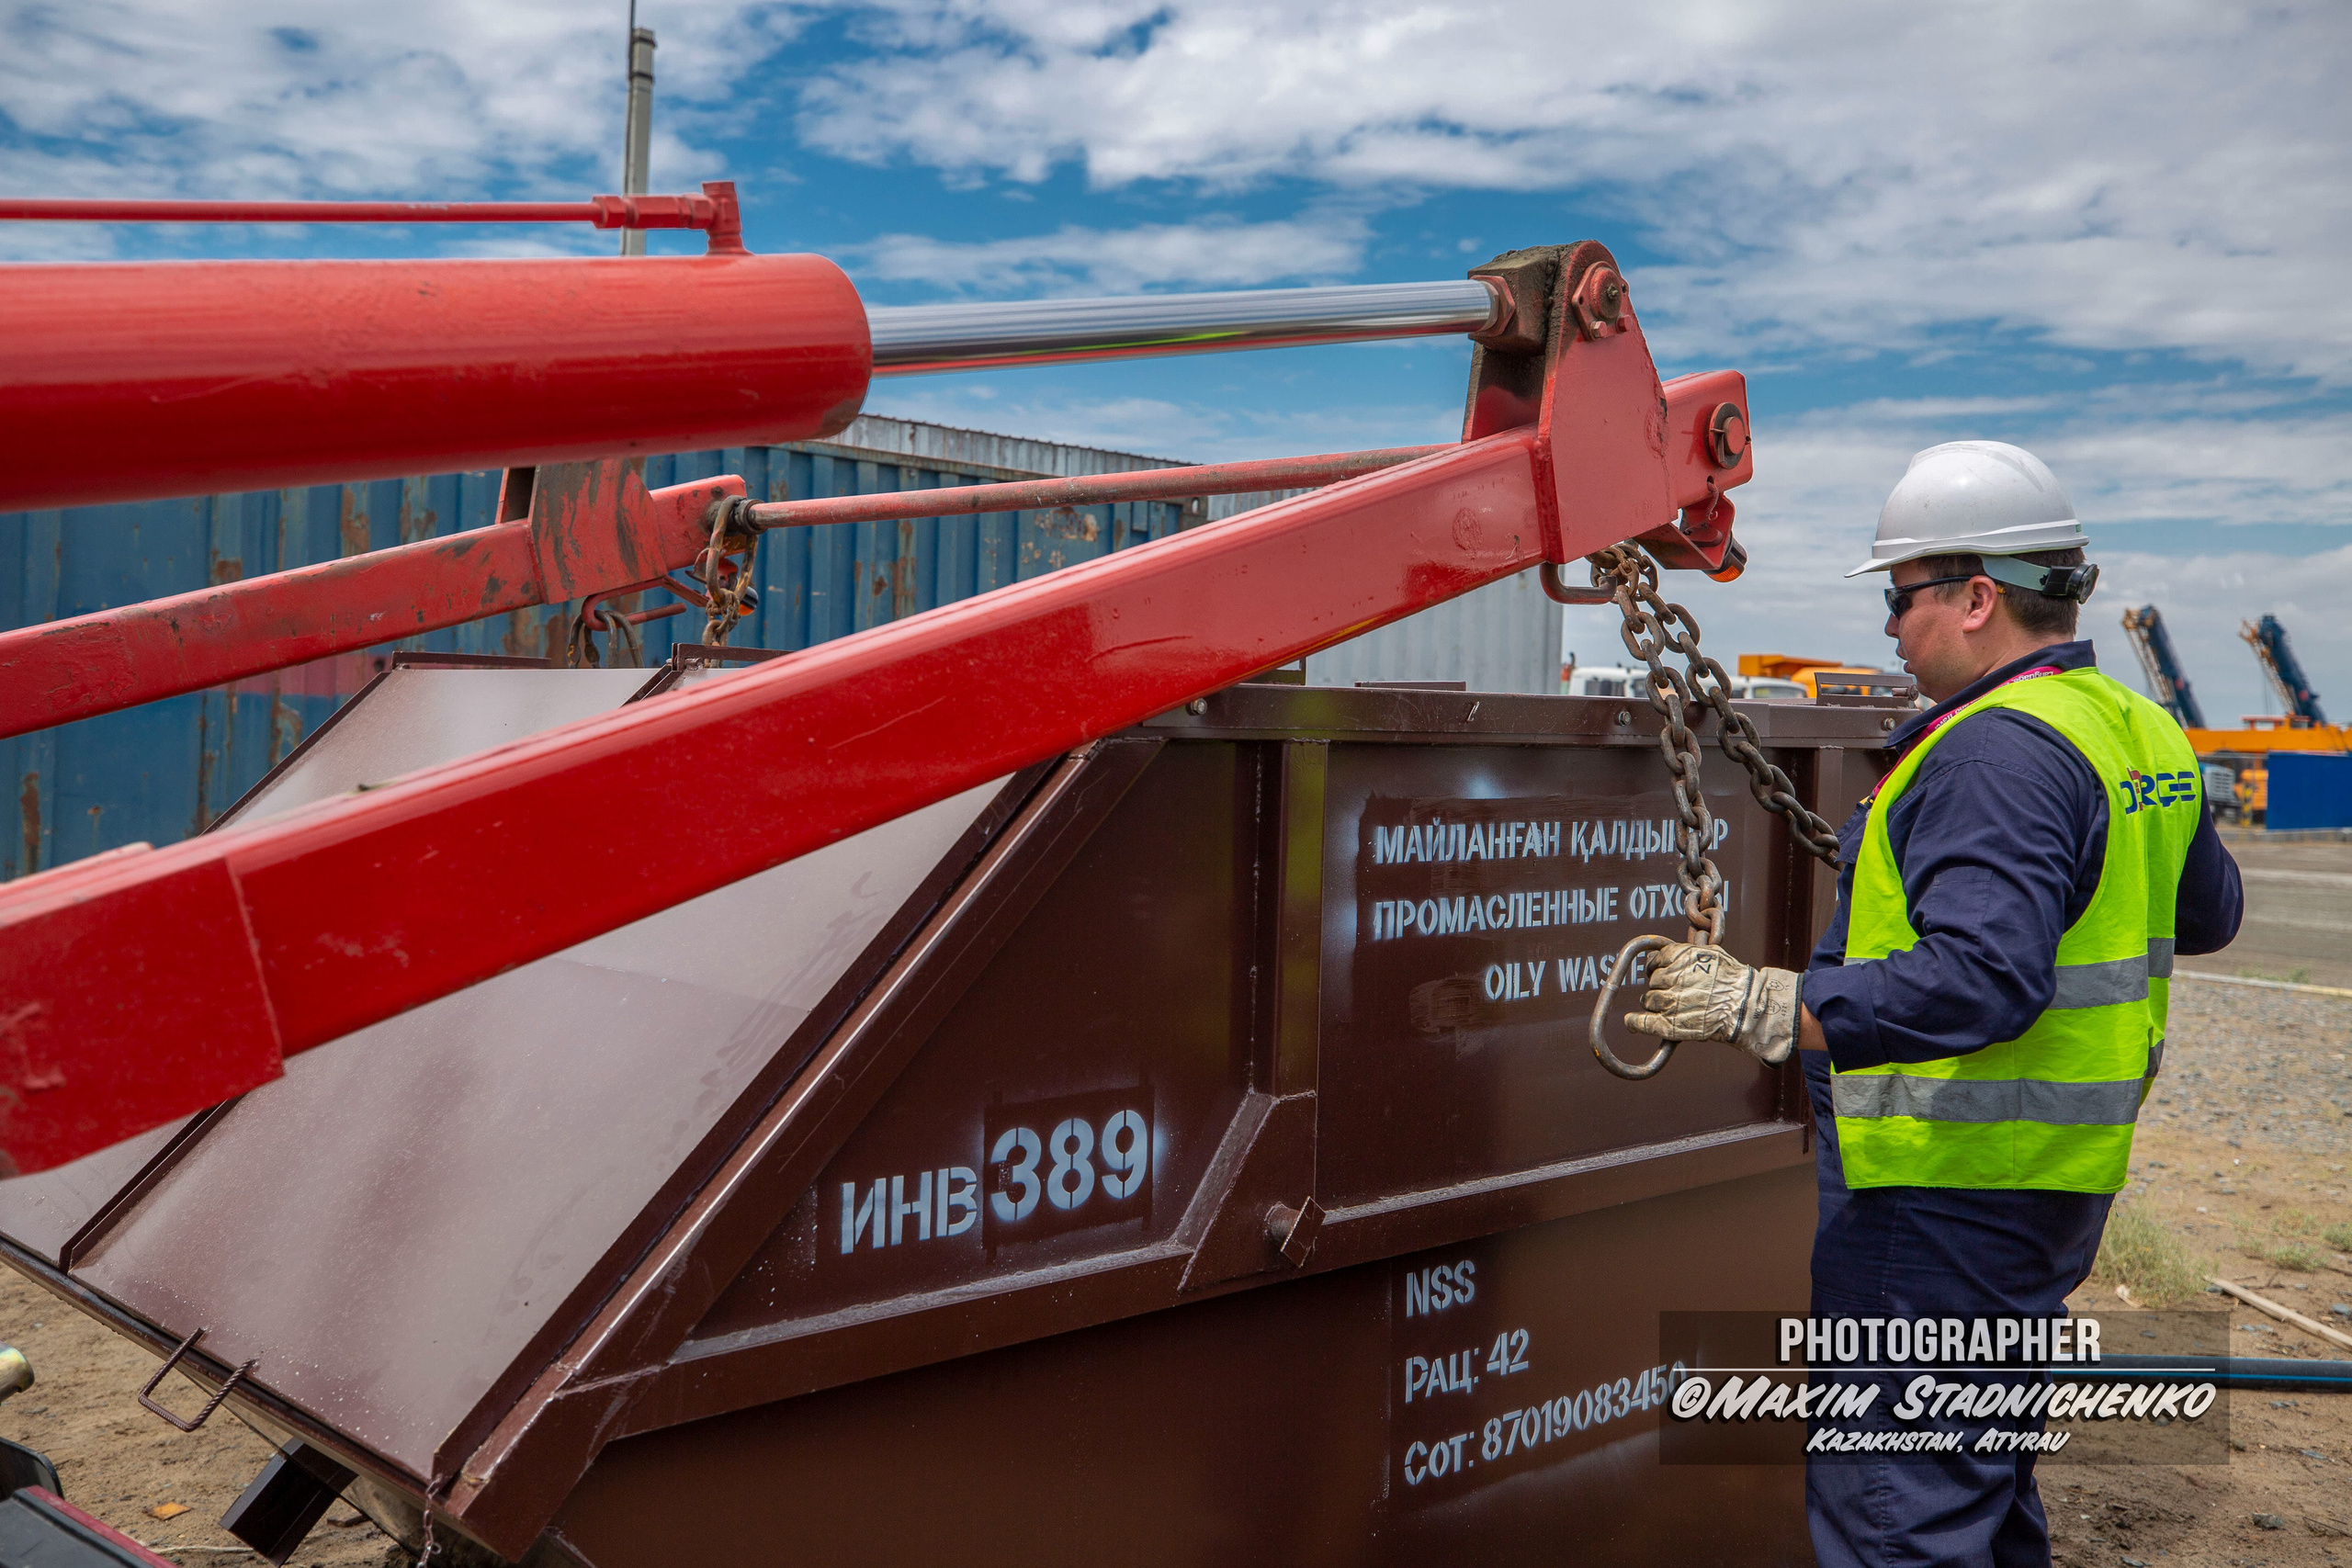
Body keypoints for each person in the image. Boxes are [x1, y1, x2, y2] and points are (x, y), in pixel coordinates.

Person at [1624, 441, 2243, 1567]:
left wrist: (1765, 1005)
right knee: (1977, 1465)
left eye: (1900, 597)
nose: (1887, 629)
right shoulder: (2133, 726)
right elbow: (2204, 915)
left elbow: (1980, 978)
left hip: (1943, 1192)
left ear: (1975, 597)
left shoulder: (1990, 754)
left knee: (1897, 1508)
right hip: (2048, 1185)